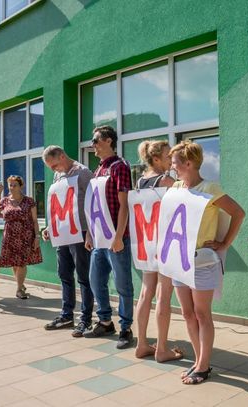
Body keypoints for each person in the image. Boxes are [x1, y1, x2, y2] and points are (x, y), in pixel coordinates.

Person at [169, 140, 245, 385]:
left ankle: (203, 367)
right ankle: (199, 360)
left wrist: (224, 244)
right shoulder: (176, 187)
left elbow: (238, 213)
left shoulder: (210, 188)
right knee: (187, 313)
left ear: (189, 163)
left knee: (202, 314)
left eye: (175, 163)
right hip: (180, 261)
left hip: (202, 261)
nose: (172, 167)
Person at [83, 125, 134, 349]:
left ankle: (126, 328)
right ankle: (105, 321)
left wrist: (119, 236)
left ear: (108, 141)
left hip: (116, 238)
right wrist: (89, 233)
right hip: (99, 239)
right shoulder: (99, 169)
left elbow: (124, 205)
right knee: (96, 281)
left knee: (123, 284)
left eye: (95, 140)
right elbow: (94, 205)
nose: (92, 145)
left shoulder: (119, 166)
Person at [133, 140, 184, 362]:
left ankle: (142, 344)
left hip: (146, 244)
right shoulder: (167, 182)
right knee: (164, 295)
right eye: (167, 156)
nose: (171, 161)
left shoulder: (140, 181)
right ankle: (162, 349)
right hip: (164, 244)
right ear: (155, 159)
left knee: (145, 293)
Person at [41, 145, 95, 338]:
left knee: (84, 277)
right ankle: (66, 315)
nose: (53, 170)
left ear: (62, 156)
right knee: (64, 274)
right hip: (62, 233)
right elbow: (57, 205)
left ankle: (86, 319)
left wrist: (90, 232)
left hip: (80, 233)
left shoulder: (83, 173)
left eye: (54, 165)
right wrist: (50, 227)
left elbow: (93, 203)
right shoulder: (58, 176)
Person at [0, 175, 42, 298]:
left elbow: (35, 220)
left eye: (15, 185)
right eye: (10, 185)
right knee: (14, 262)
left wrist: (37, 237)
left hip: (25, 236)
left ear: (21, 186)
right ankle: (20, 284)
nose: (12, 187)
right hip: (10, 236)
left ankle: (19, 289)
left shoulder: (29, 201)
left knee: (22, 263)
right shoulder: (5, 201)